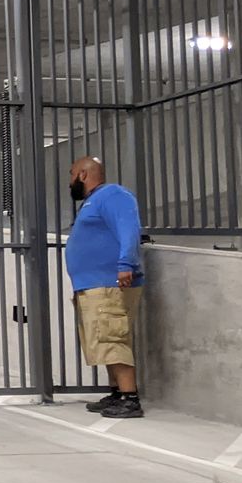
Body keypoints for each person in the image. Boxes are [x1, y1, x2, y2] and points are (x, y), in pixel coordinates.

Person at [65, 156, 144, 419]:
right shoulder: (94, 201)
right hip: (95, 285)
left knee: (113, 336)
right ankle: (117, 393)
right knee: (105, 337)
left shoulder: (113, 195)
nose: (70, 182)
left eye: (71, 175)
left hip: (110, 283)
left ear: (83, 175)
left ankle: (130, 398)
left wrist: (125, 264)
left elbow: (129, 229)